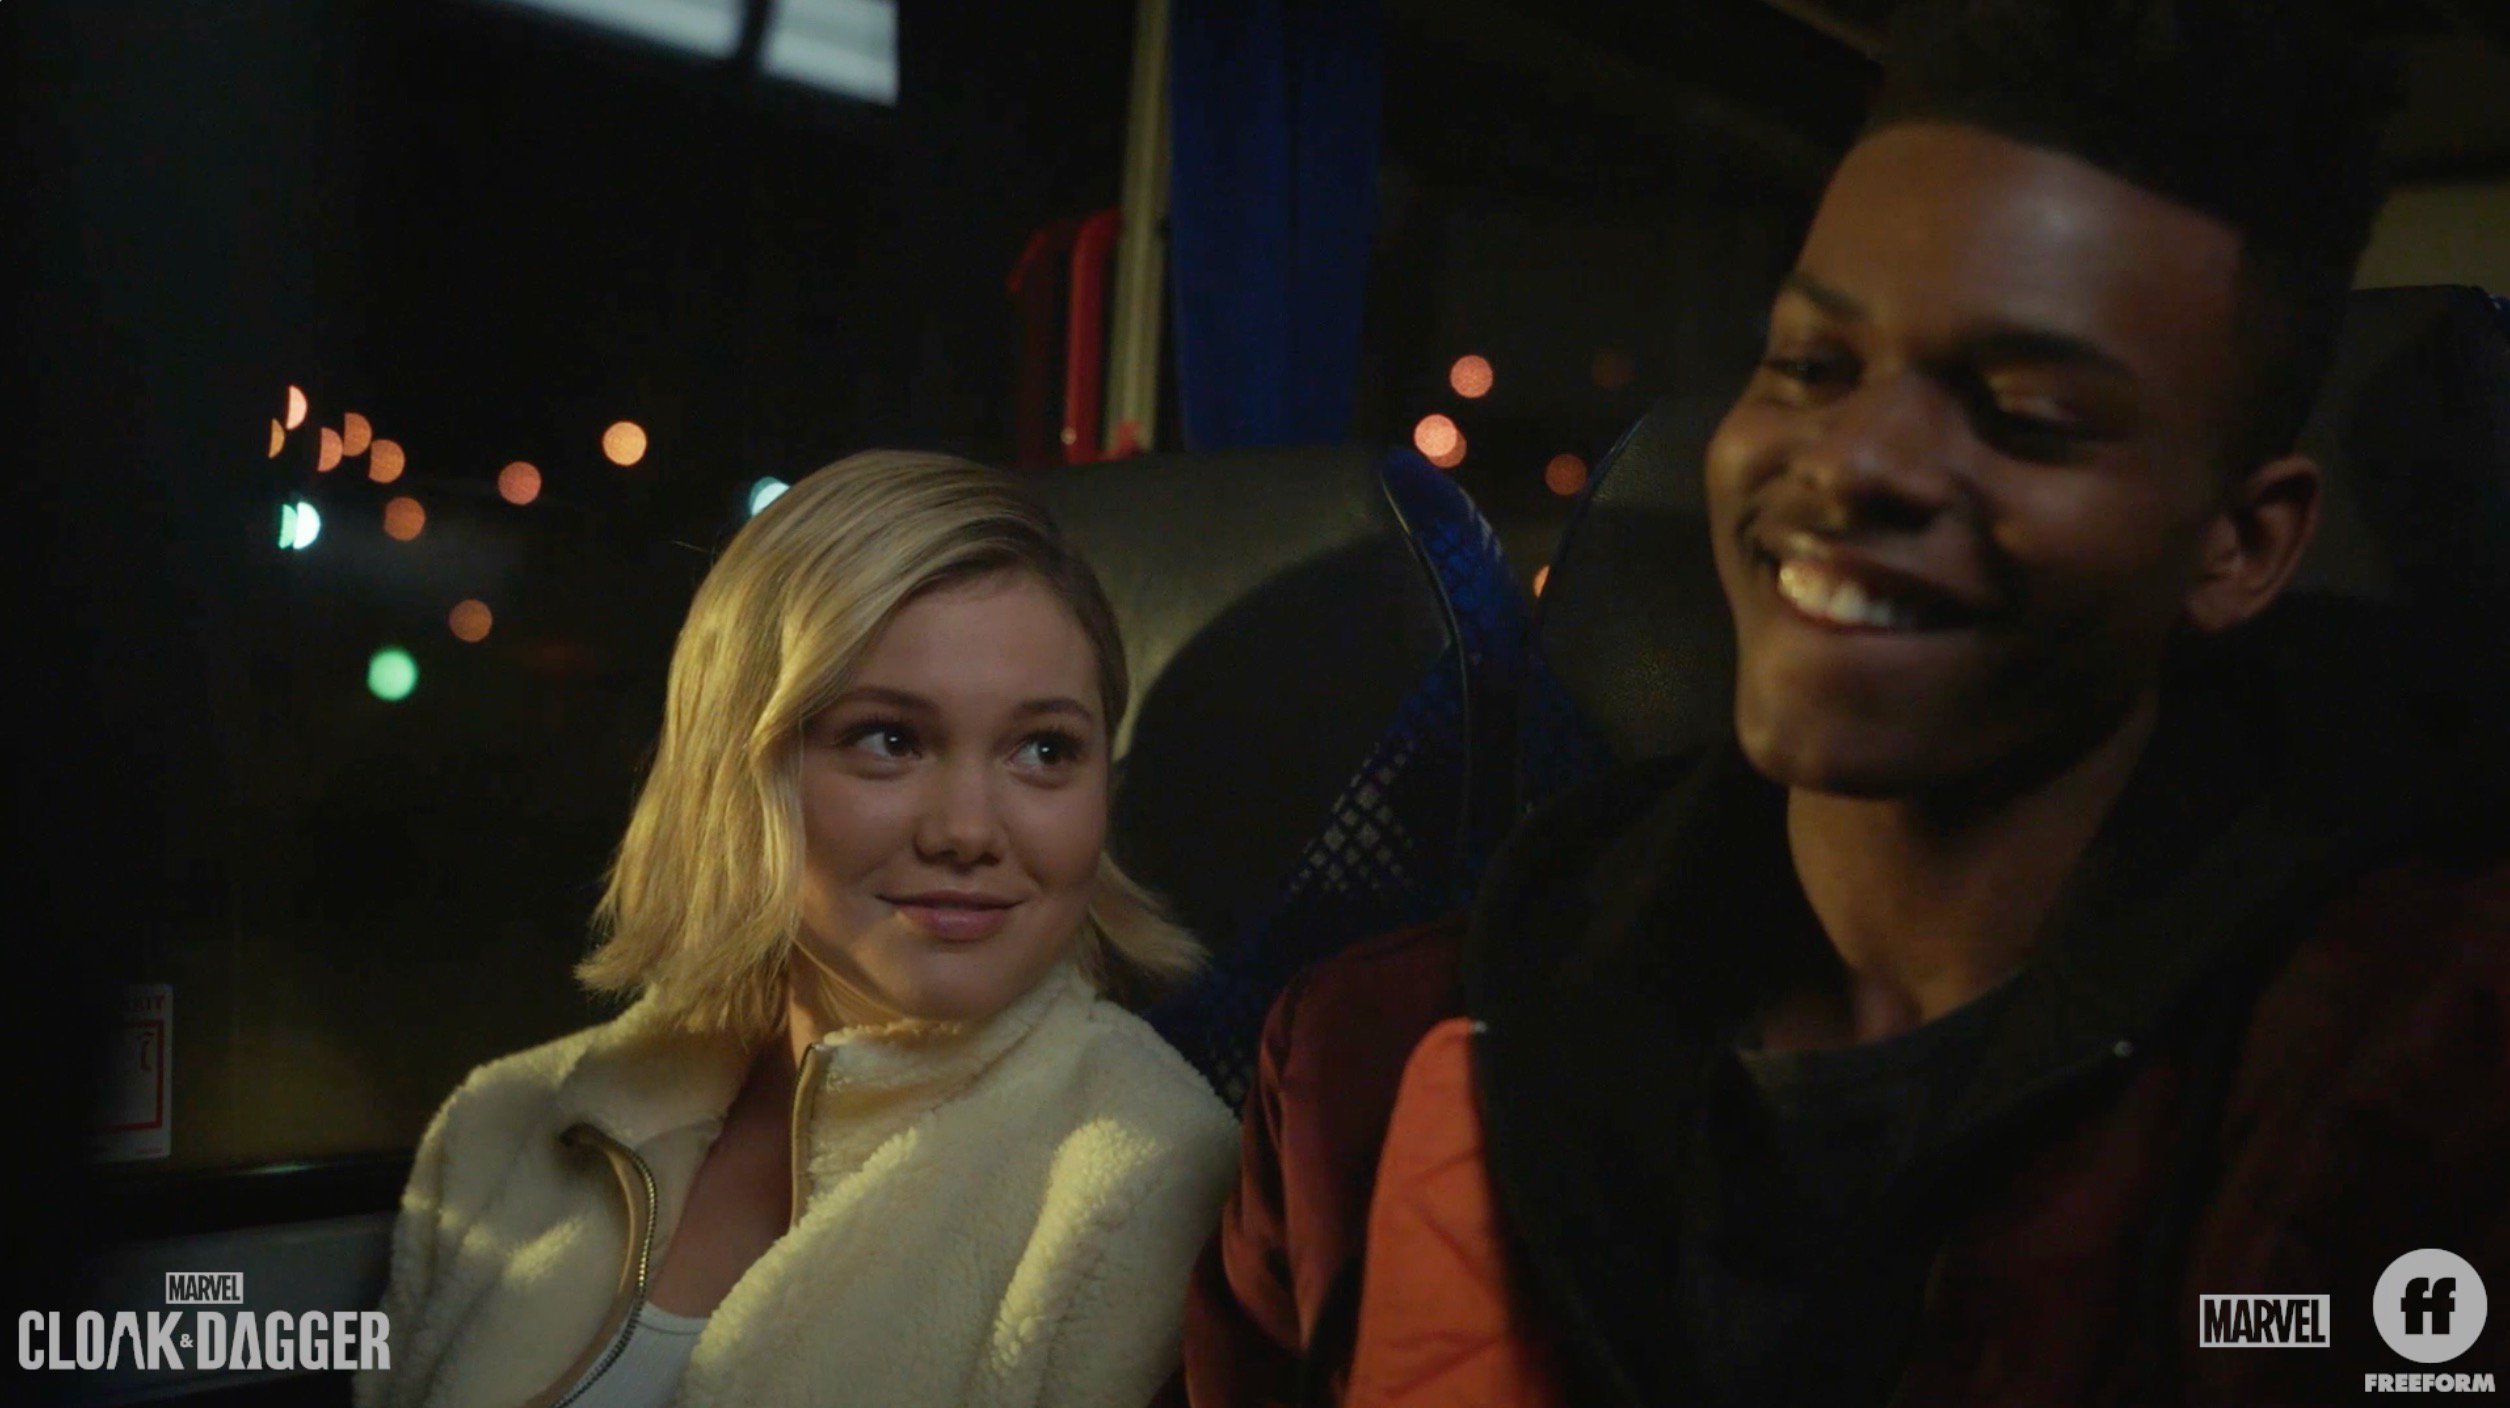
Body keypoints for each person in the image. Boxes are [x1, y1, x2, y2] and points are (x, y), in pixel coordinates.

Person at [1188, 2, 2510, 1404]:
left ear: (2238, 544)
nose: (1851, 461)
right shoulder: (1368, 1062)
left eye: (2026, 416)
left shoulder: (2423, 1081)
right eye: (1810, 367)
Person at [359, 451, 1239, 1408]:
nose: (968, 831)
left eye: (1044, 749)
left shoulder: (1145, 1187)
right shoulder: (500, 1125)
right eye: (890, 739)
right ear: (733, 769)